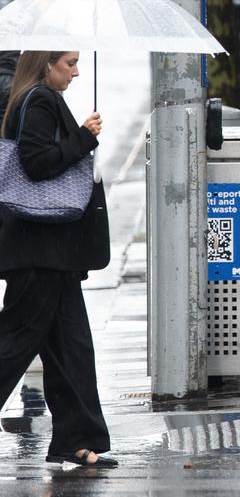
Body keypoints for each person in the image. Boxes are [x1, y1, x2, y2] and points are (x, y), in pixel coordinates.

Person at [0, 51, 113, 467]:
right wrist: (84, 136)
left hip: (51, 253)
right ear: (45, 65)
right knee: (13, 341)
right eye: (69, 63)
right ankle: (77, 439)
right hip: (37, 252)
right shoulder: (40, 99)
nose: (77, 71)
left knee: (71, 348)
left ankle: (77, 440)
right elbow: (36, 164)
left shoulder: (36, 97)